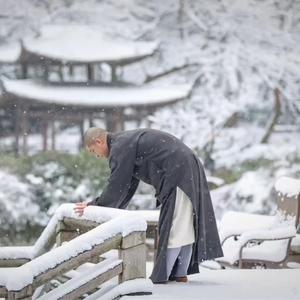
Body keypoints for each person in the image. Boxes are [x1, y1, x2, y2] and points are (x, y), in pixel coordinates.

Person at [74, 127, 223, 284]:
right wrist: (105, 207)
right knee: (183, 226)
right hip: (185, 166)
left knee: (173, 227)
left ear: (99, 141)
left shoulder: (119, 147)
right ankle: (179, 274)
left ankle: (163, 278)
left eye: (92, 150)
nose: (95, 155)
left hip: (179, 170)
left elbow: (116, 184)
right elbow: (127, 185)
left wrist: (96, 205)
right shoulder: (124, 143)